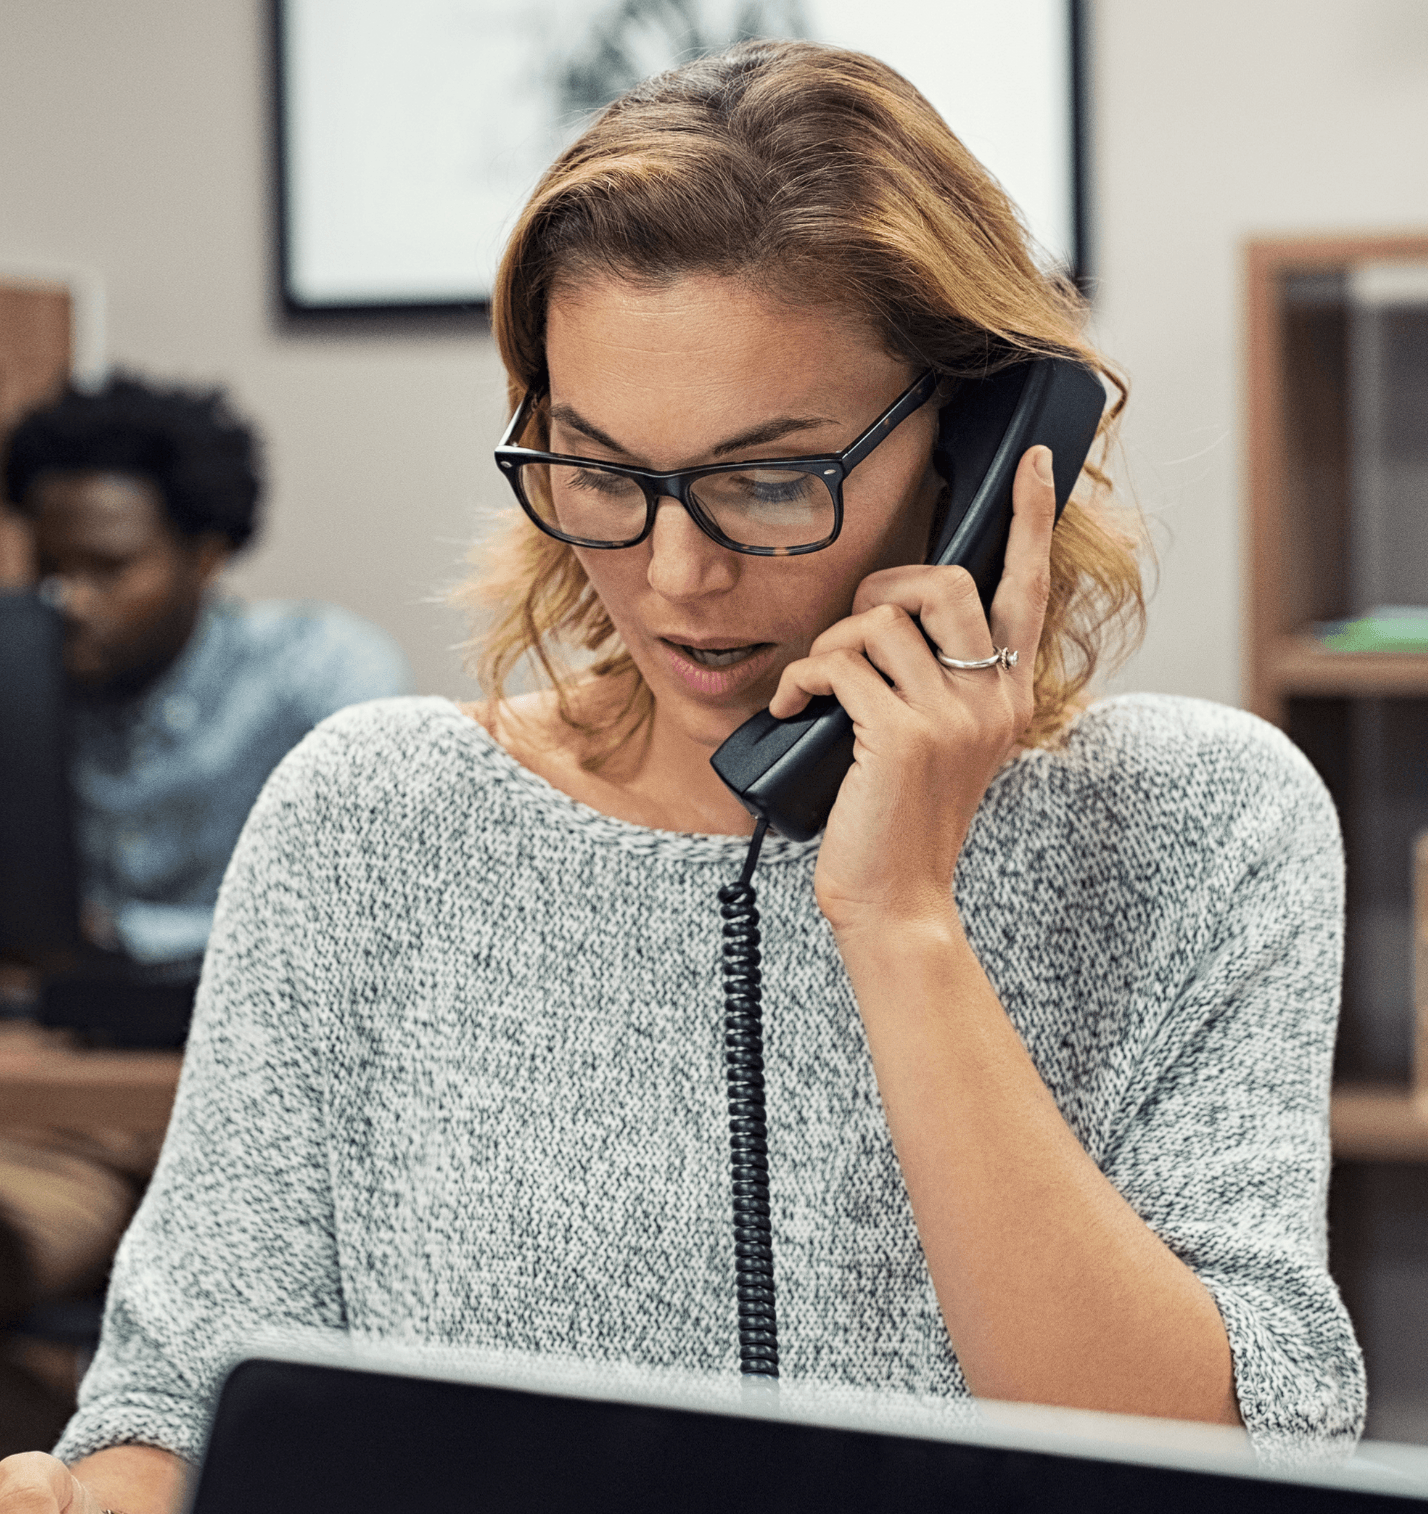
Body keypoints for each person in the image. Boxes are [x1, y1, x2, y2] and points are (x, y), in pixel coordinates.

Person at [0, 41, 1362, 1514]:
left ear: (976, 445)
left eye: (773, 478)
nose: (676, 575)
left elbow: (1217, 1468)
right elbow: (175, 1402)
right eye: (599, 470)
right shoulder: (375, 816)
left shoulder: (1200, 822)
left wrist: (902, 919)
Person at [0, 375, 411, 1457]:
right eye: (51, 572)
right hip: (71, 1111)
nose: (72, 601)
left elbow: (364, 913)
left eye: (111, 568)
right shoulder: (22, 687)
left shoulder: (320, 675)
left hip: (256, 1109)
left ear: (205, 554)